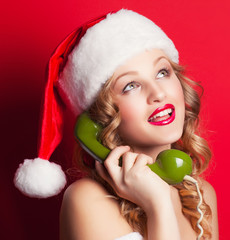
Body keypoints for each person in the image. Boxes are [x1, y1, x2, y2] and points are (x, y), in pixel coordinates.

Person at [14, 9, 218, 240]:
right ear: (100, 118)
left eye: (162, 72)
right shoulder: (87, 200)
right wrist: (157, 204)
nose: (159, 94)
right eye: (131, 85)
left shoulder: (200, 195)